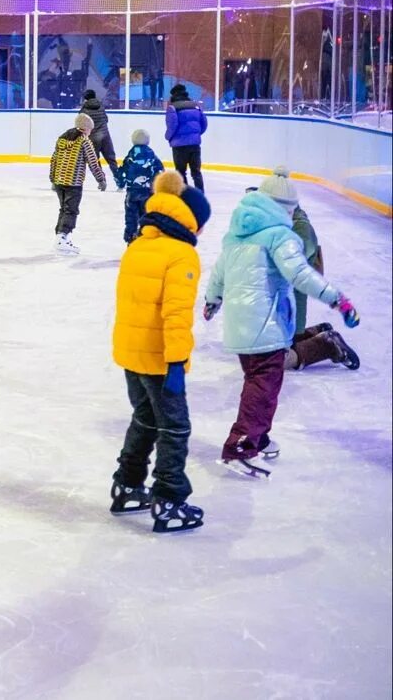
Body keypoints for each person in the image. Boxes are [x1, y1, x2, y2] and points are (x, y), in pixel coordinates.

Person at [204, 168, 359, 478]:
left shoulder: (236, 235)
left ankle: (257, 437)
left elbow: (219, 272)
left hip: (239, 325)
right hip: (266, 325)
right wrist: (337, 299)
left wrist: (213, 300)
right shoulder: (280, 236)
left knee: (258, 383)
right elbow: (301, 274)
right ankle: (241, 447)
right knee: (263, 388)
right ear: (284, 207)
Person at [108, 171, 212, 533]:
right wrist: (176, 363)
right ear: (192, 221)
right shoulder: (181, 254)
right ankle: (169, 500)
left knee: (145, 418)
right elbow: (176, 314)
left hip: (130, 351)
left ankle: (128, 485)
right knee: (175, 427)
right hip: (158, 356)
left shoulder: (139, 244)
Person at [49, 113, 108, 255]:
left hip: (59, 181)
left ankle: (61, 237)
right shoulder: (84, 141)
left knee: (64, 209)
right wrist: (101, 179)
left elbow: (54, 159)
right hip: (73, 182)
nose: (90, 132)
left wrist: (52, 178)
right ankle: (62, 237)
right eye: (90, 130)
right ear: (86, 128)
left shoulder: (62, 139)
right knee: (71, 210)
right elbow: (93, 162)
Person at [120, 129, 164, 243]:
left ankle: (131, 239)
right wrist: (158, 186)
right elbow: (160, 170)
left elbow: (123, 170)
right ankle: (145, 238)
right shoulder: (151, 154)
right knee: (146, 216)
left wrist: (121, 183)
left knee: (131, 217)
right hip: (147, 192)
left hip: (132, 192)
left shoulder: (131, 154)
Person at [164, 83, 207, 190]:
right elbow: (204, 123)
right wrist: (196, 134)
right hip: (194, 144)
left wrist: (168, 137)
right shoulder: (195, 106)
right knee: (196, 172)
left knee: (180, 172)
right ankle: (200, 194)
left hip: (179, 146)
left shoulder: (173, 108)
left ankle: (186, 195)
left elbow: (172, 125)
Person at [79, 89, 122, 189]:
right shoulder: (101, 106)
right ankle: (119, 181)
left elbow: (81, 124)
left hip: (93, 138)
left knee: (94, 161)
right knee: (112, 160)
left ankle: (102, 181)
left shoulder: (84, 110)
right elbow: (106, 119)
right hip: (105, 136)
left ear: (85, 98)